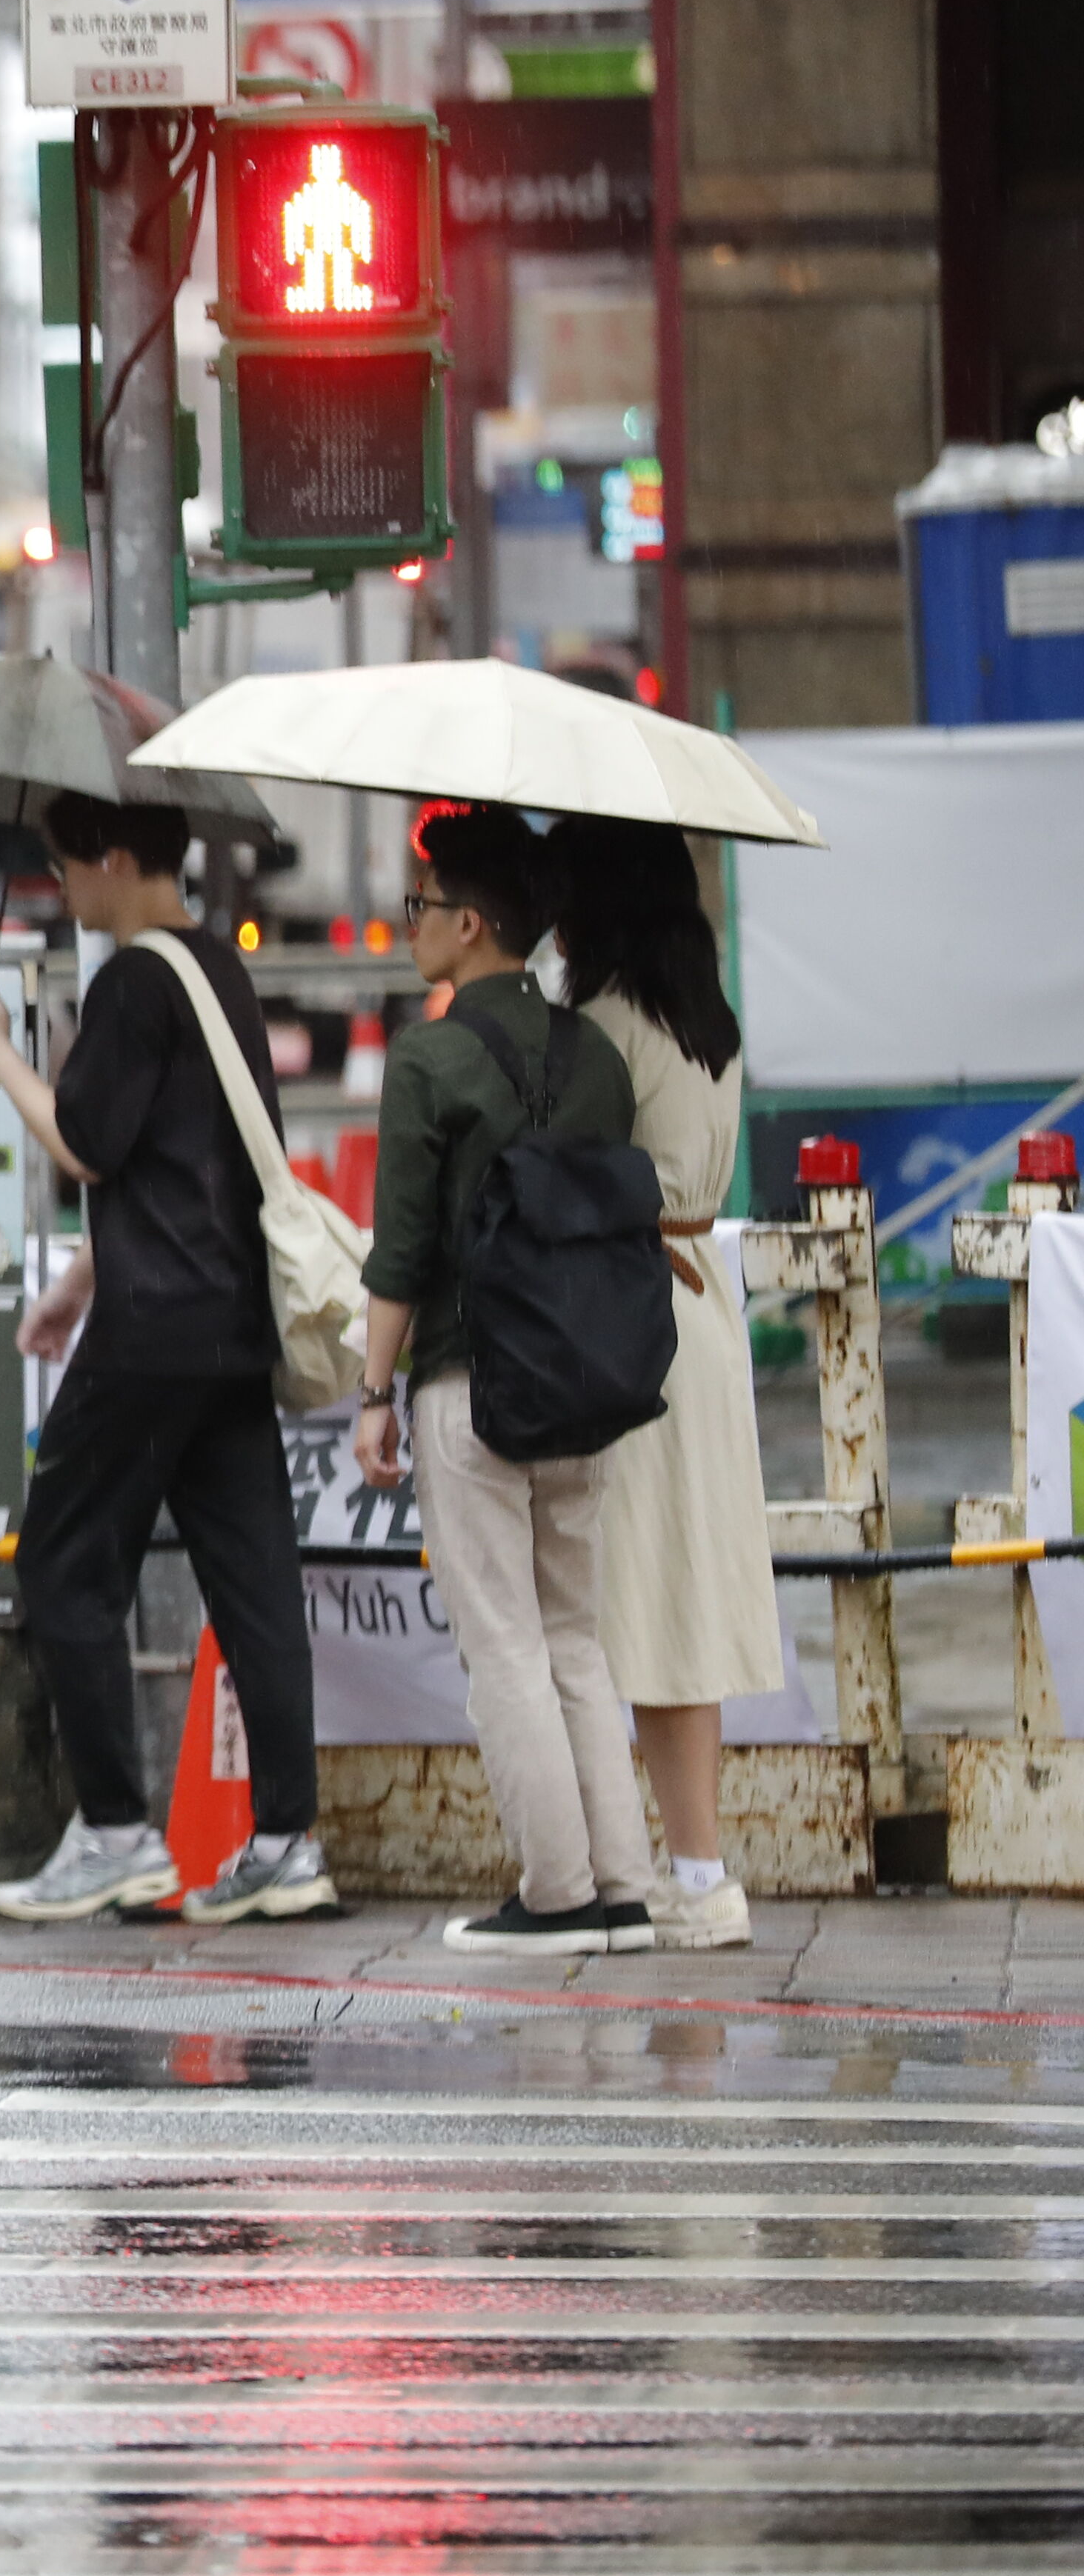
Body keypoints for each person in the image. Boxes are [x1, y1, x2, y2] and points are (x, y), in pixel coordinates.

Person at [0, 793, 333, 1926]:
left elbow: (85, 1141)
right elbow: (188, 1165)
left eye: (69, 868)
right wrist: (78, 1285)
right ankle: (284, 1841)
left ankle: (116, 1830)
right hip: (225, 1325)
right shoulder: (219, 970)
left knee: (66, 1560)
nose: (65, 889)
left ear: (116, 859)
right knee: (255, 1579)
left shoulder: (132, 981)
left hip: (153, 1332)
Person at [358, 802, 654, 1955]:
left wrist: (372, 1395)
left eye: (421, 907)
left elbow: (402, 1251)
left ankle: (557, 1889)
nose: (411, 925)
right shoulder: (597, 1056)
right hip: (585, 1381)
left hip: (466, 1381)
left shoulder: (428, 1058)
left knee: (505, 1643)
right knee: (576, 1636)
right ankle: (620, 1882)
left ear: (472, 924)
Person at [559, 817, 775, 1950]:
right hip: (703, 1310)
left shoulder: (601, 1024)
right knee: (684, 1593)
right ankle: (700, 1864)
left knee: (630, 1600)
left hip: (629, 1313)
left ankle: (672, 1869)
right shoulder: (709, 1022)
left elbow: (566, 1172)